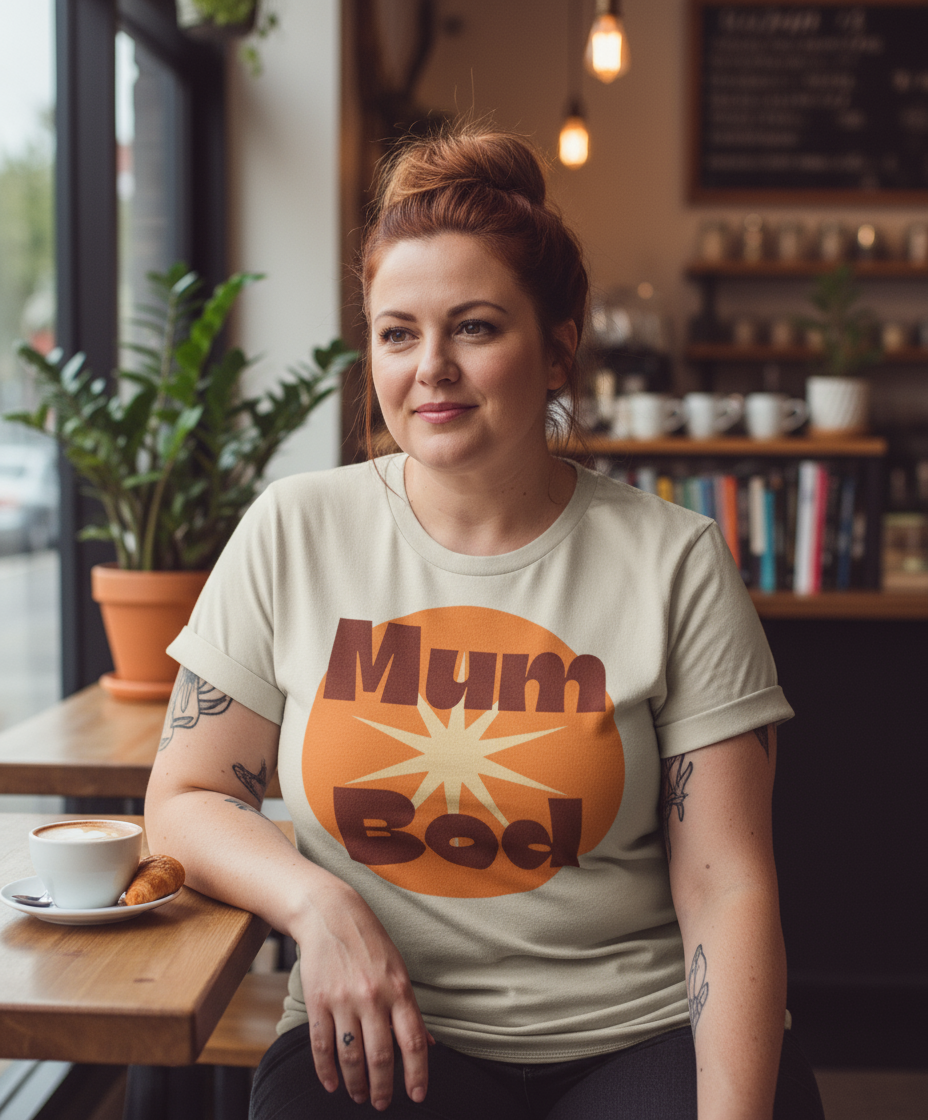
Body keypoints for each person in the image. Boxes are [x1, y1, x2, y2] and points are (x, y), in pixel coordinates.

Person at [145, 124, 825, 1120]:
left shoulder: (674, 559)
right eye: (397, 333)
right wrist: (316, 903)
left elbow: (728, 887)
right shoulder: (294, 530)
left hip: (641, 1032)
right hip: (381, 1031)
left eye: (473, 327)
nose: (431, 367)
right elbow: (185, 795)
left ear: (557, 350)